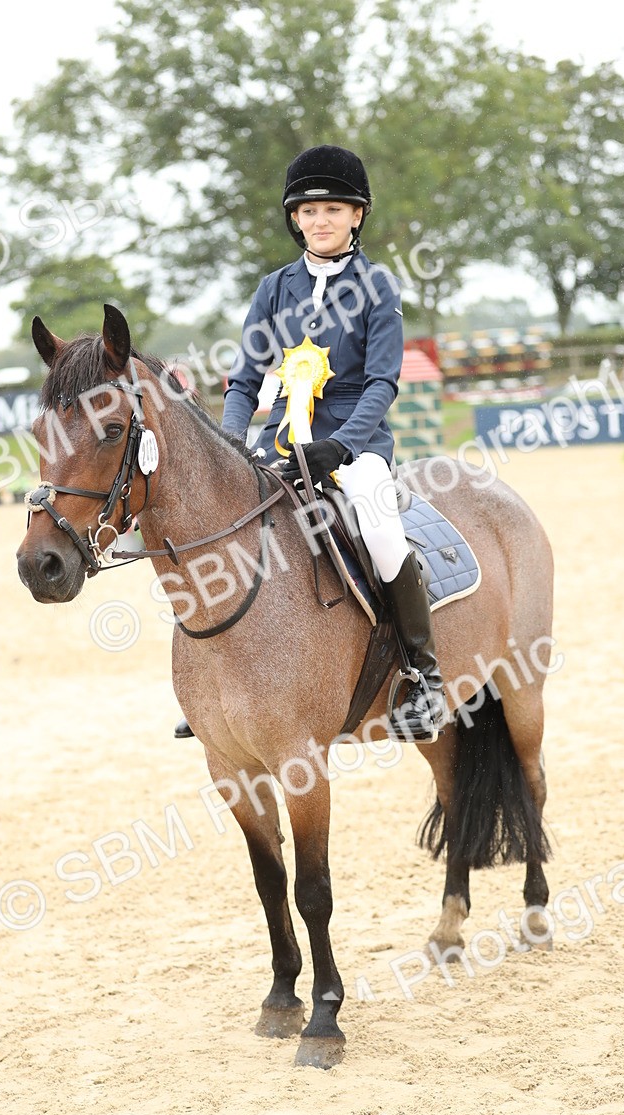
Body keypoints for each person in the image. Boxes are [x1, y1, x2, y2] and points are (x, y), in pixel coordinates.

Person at [174, 145, 445, 743]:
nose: (320, 220)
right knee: (216, 528)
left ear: (357, 215)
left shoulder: (377, 286)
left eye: (333, 209)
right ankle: (214, 679)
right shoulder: (274, 289)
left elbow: (382, 382)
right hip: (279, 442)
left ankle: (423, 676)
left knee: (380, 528)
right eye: (309, 211)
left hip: (356, 445)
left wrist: (343, 445)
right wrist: (232, 445)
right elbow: (245, 380)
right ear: (295, 218)